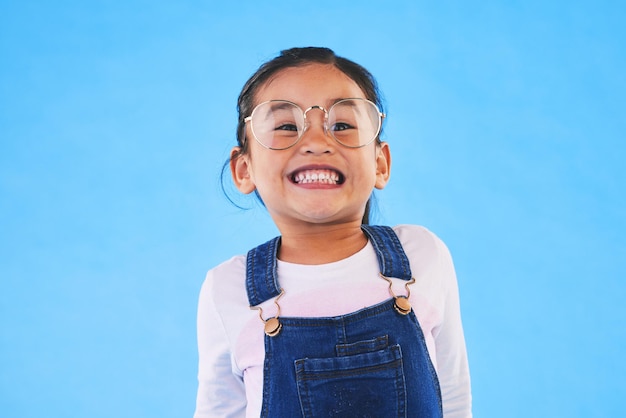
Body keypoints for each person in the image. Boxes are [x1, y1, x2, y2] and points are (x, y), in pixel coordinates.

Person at [194, 47, 472, 417]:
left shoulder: (422, 256)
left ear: (380, 163)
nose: (316, 141)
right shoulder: (228, 288)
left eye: (341, 125)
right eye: (286, 127)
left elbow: (453, 399)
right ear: (244, 170)